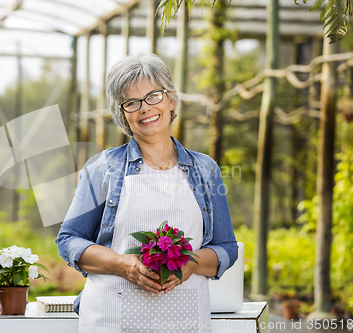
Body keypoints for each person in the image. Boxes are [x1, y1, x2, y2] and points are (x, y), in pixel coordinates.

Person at [56, 54, 238, 333]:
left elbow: (226, 248)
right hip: (109, 319)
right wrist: (122, 265)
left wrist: (189, 263)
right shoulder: (102, 168)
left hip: (185, 319)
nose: (145, 108)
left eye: (153, 95)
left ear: (171, 100)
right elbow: (69, 240)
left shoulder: (205, 170)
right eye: (131, 102)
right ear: (123, 115)